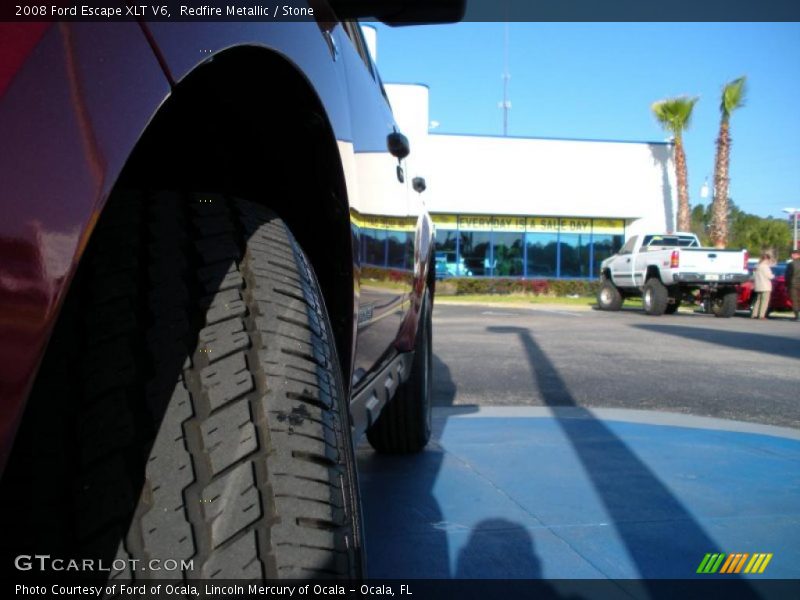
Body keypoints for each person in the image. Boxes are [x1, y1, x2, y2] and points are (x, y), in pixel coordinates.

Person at [751, 252, 775, 319]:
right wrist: (774, 275)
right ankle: (761, 315)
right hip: (765, 286)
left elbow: (753, 276)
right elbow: (769, 276)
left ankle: (754, 314)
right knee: (764, 301)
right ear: (767, 259)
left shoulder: (757, 266)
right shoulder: (765, 267)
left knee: (758, 300)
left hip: (758, 285)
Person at [787, 249, 800, 321]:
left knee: (794, 300)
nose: (791, 255)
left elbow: (788, 275)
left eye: (793, 254)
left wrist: (787, 284)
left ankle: (796, 316)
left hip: (793, 284)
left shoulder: (791, 264)